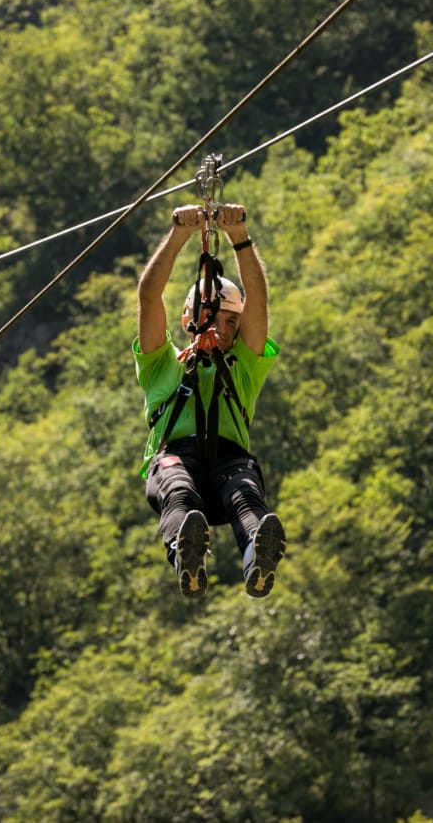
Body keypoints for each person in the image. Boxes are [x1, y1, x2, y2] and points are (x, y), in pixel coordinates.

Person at [133, 202, 286, 598]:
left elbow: (259, 302)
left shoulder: (244, 368)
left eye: (231, 321)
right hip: (175, 461)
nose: (222, 327)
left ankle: (258, 555)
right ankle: (187, 558)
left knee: (246, 491)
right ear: (190, 320)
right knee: (178, 485)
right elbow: (149, 298)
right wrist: (178, 236)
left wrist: (240, 238)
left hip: (227, 465)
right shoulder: (160, 366)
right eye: (214, 316)